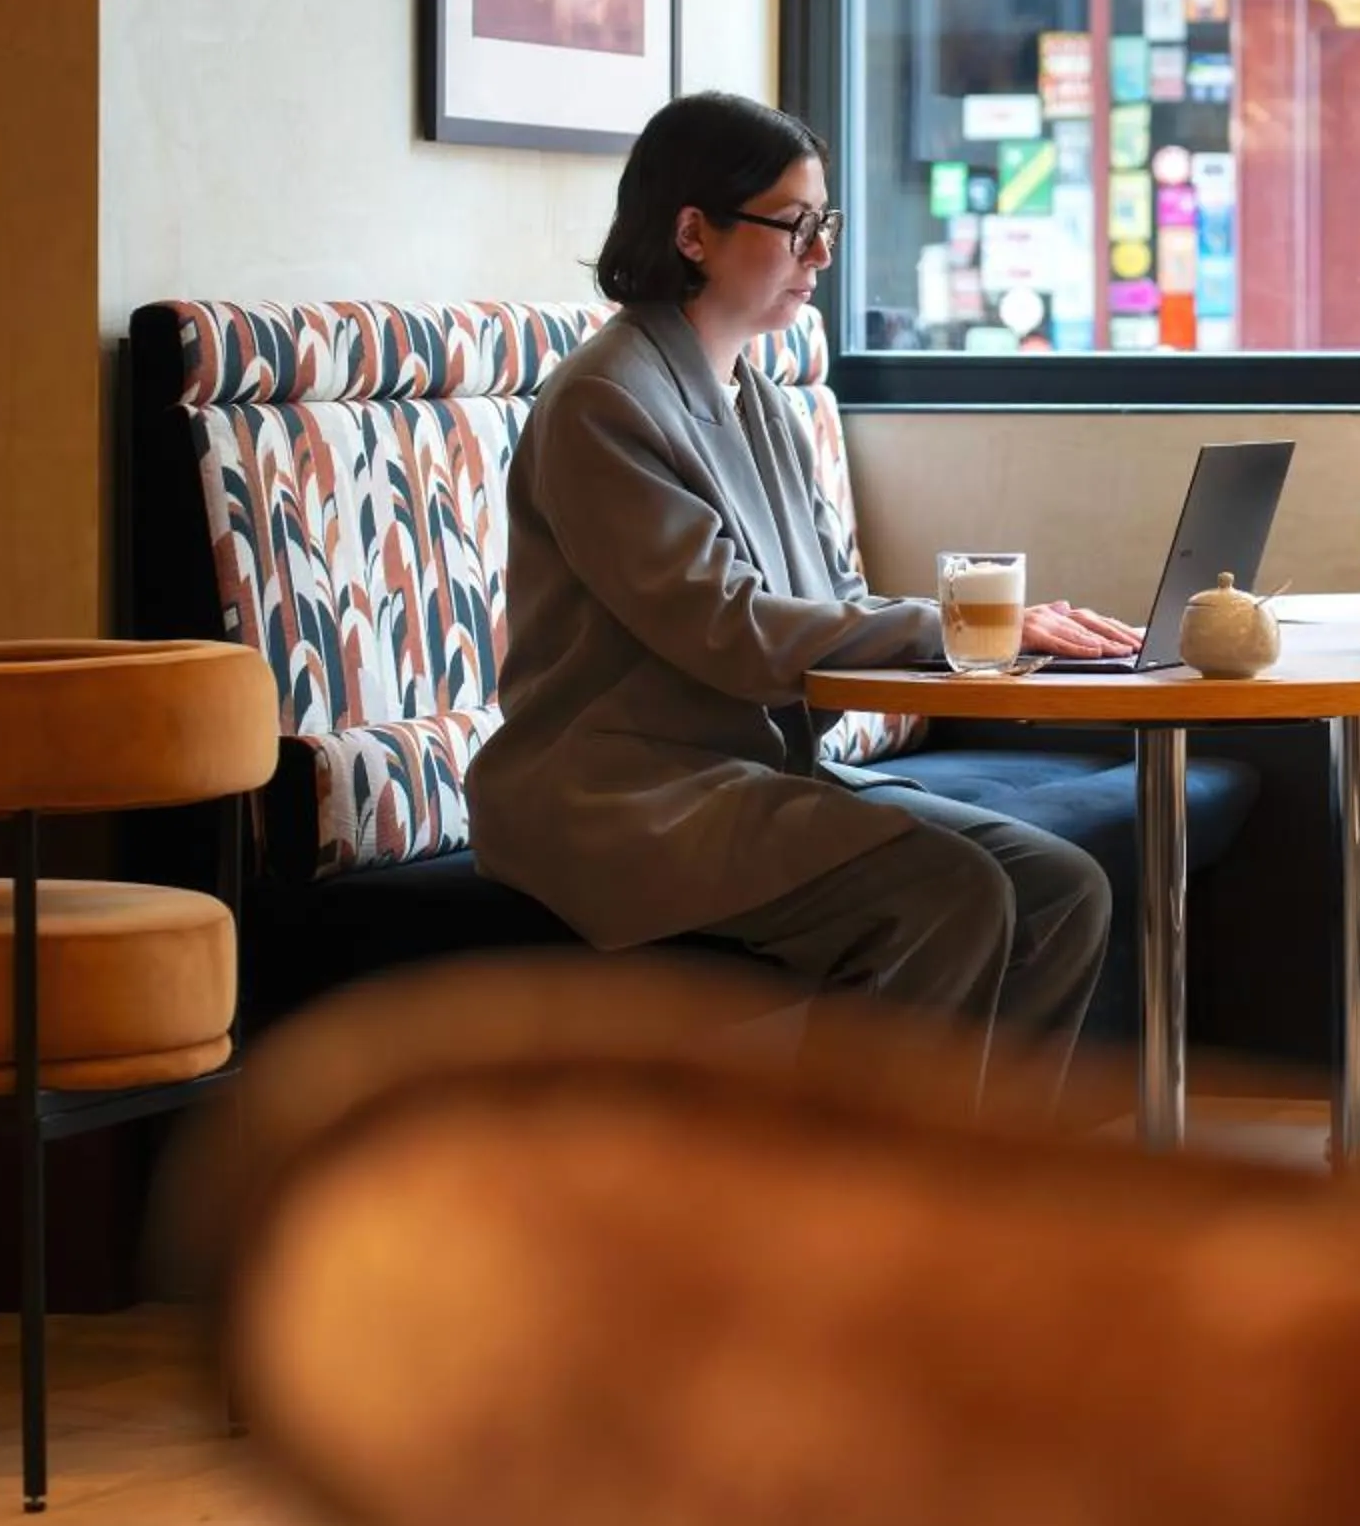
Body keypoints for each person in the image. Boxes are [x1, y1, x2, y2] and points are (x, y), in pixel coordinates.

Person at [467, 91, 1140, 1071]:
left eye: (824, 225)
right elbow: (735, 633)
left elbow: (823, 603)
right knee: (951, 892)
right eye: (796, 226)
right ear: (693, 231)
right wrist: (959, 625)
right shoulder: (604, 404)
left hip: (751, 773)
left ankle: (981, 1194)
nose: (820, 255)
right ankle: (843, 1203)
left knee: (1065, 886)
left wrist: (1004, 633)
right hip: (620, 794)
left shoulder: (761, 399)